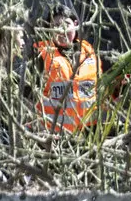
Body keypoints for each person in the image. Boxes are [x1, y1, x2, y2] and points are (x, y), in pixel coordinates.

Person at [34, 7, 99, 135]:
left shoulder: (88, 51)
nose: (62, 30)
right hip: (56, 135)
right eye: (56, 26)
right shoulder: (41, 55)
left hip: (89, 131)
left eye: (66, 24)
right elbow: (31, 97)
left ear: (75, 25)